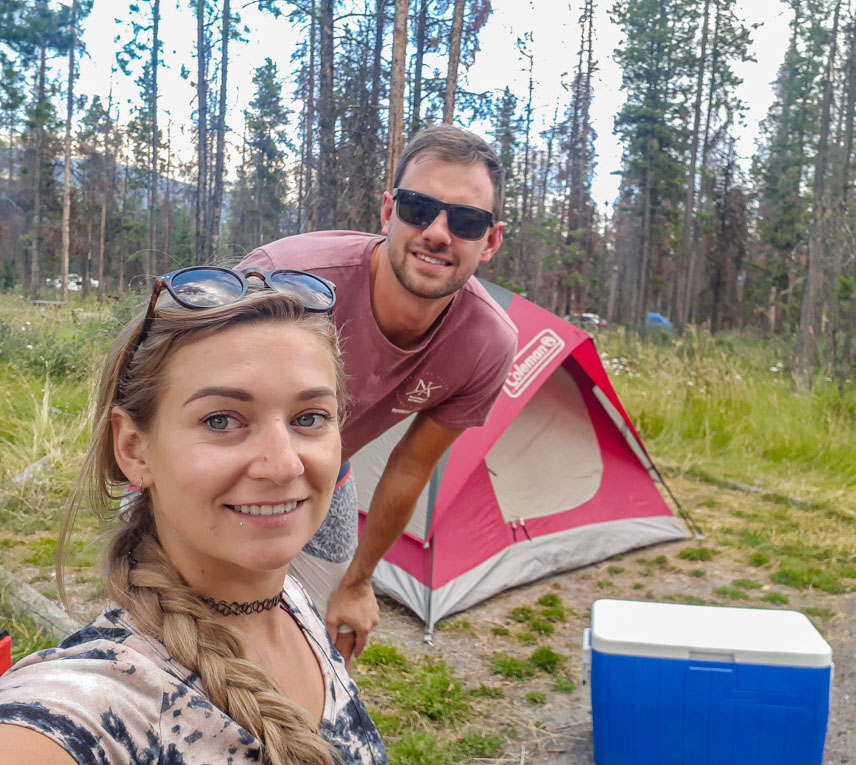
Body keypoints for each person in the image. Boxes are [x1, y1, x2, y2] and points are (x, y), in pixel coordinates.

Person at [0, 268, 387, 765]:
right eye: (221, 420)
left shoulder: (290, 600)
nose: (284, 464)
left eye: (309, 418)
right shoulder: (97, 710)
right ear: (134, 448)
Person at [240, 125, 518, 662]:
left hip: (326, 464)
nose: (437, 233)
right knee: (197, 605)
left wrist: (360, 581)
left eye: (465, 221)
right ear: (389, 213)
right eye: (419, 208)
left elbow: (411, 466)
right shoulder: (285, 281)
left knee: (323, 620)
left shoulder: (485, 343)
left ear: (490, 241)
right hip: (226, 454)